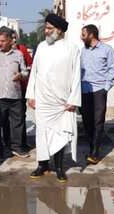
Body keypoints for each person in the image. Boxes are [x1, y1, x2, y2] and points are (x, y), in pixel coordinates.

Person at [26, 13, 81, 182]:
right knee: (42, 134)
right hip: (43, 100)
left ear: (59, 30)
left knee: (59, 135)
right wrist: (31, 94)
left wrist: (74, 99)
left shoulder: (72, 49)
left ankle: (58, 167)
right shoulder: (41, 47)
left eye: (50, 28)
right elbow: (34, 72)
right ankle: (42, 165)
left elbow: (76, 76)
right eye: (46, 28)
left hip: (62, 103)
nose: (46, 31)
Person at [0, 28, 30, 162]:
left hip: (15, 95)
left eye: (3, 41)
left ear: (10, 40)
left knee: (17, 123)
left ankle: (17, 147)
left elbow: (25, 72)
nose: (0, 43)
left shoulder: (18, 54)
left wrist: (21, 75)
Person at [79, 24, 114, 165]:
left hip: (99, 90)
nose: (81, 37)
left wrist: (106, 87)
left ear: (91, 35)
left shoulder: (106, 50)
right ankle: (91, 146)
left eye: (83, 34)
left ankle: (95, 152)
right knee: (87, 121)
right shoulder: (83, 51)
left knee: (98, 121)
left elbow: (111, 69)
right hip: (85, 91)